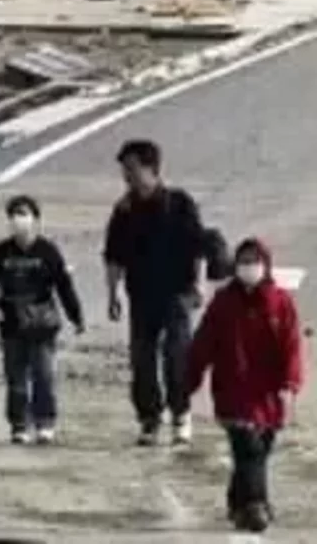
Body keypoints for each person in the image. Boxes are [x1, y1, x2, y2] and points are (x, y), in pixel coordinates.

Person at [185, 238, 304, 533]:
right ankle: (255, 505)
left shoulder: (280, 302)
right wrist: (189, 379)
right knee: (248, 447)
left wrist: (290, 381)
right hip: (233, 391)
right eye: (243, 261)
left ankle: (238, 501)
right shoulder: (225, 302)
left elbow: (292, 346)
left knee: (258, 451)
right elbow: (204, 343)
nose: (249, 267)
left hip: (268, 394)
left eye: (254, 261)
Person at [104, 139, 207, 446]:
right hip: (141, 295)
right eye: (125, 170)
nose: (128, 176)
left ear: (152, 169)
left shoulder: (179, 204)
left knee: (176, 356)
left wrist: (199, 284)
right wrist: (113, 294)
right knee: (141, 359)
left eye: (133, 169)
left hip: (177, 293)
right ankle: (149, 418)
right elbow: (113, 256)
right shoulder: (124, 211)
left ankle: (181, 414)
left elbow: (198, 247)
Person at [0, 195, 85, 445]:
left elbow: (63, 285)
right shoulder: (0, 252)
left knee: (44, 374)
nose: (20, 219)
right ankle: (18, 424)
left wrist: (76, 316)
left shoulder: (47, 252)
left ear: (36, 220)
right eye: (15, 214)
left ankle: (45, 422)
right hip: (11, 322)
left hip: (41, 323)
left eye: (25, 213)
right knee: (15, 377)